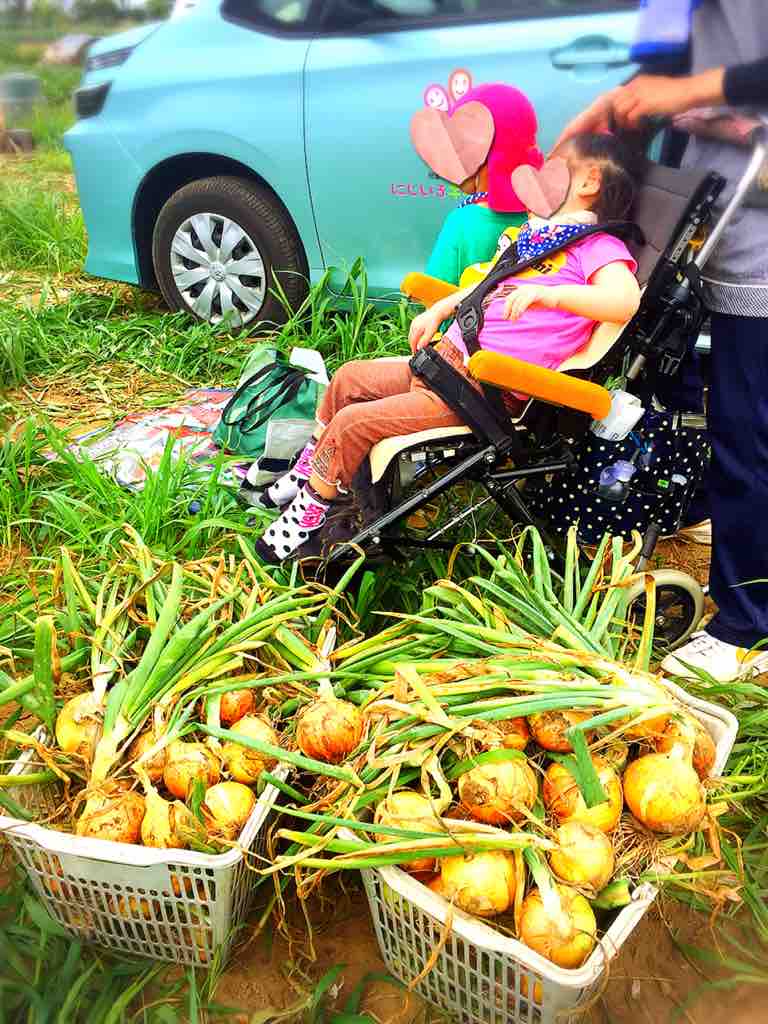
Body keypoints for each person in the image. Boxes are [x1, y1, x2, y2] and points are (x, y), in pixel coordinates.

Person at [254, 133, 641, 565]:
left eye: (553, 165)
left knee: (353, 422)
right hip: (444, 363)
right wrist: (440, 308)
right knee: (347, 379)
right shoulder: (538, 237)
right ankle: (310, 470)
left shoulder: (596, 247)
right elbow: (487, 283)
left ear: (589, 180)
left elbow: (624, 301)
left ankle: (310, 511)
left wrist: (551, 296)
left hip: (481, 392)